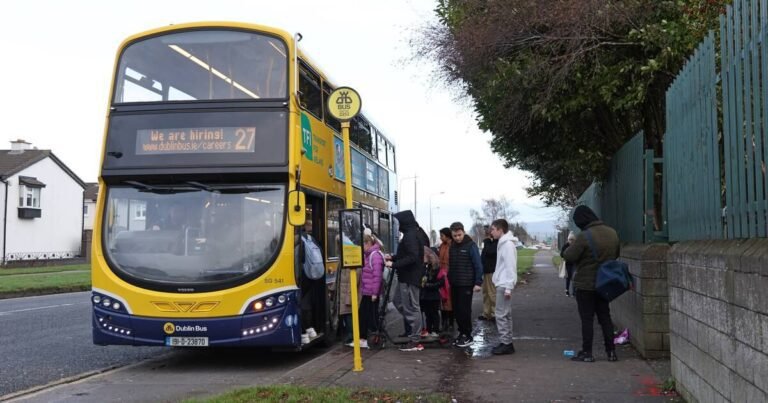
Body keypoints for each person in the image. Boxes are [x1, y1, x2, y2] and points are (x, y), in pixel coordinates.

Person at [563, 205, 620, 363]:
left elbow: (570, 256)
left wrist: (570, 247)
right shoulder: (612, 233)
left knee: (587, 319)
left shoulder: (584, 236)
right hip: (605, 283)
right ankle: (611, 352)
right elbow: (616, 254)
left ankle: (587, 353)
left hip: (586, 285)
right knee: (605, 317)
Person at [384, 210, 425, 352]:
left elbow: (413, 257)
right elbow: (407, 254)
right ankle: (416, 330)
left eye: (398, 222)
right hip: (406, 276)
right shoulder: (409, 235)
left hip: (410, 277)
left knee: (412, 307)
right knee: (398, 301)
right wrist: (393, 257)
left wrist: (394, 264)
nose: (397, 225)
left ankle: (415, 339)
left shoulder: (410, 236)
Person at [447, 221, 483, 348]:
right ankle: (462, 333)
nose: (457, 238)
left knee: (464, 310)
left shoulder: (471, 246)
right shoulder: (452, 246)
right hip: (455, 283)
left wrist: (478, 282)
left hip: (466, 284)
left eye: (459, 235)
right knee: (457, 310)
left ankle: (468, 335)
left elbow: (478, 264)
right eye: (455, 235)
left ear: (463, 232)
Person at [348, 233, 384, 349]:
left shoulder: (375, 256)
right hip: (367, 291)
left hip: (371, 293)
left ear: (368, 243)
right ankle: (364, 339)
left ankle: (372, 339)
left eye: (362, 244)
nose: (361, 247)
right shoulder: (369, 255)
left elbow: (377, 276)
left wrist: (374, 293)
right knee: (365, 316)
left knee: (370, 317)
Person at [489, 219, 518, 355]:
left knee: (501, 314)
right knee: (505, 314)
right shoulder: (505, 243)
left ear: (500, 230)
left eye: (493, 229)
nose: (491, 232)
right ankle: (507, 342)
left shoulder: (507, 245)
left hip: (504, 283)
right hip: (503, 283)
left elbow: (510, 266)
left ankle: (506, 343)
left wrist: (508, 287)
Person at [419, 246, 442, 337]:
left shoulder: (437, 268)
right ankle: (428, 329)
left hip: (433, 294)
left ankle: (435, 330)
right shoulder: (426, 267)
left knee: (434, 313)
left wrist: (428, 285)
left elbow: (440, 282)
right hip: (426, 295)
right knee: (428, 314)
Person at [480, 225, 498, 321]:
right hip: (486, 270)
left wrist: (487, 240)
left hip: (492, 270)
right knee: (486, 292)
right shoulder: (490, 242)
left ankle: (494, 313)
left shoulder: (496, 242)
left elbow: (490, 252)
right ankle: (487, 313)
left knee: (492, 293)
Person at [437, 227, 453, 332]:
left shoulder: (452, 246)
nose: (440, 237)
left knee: (450, 299)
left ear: (447, 236)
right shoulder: (442, 246)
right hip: (441, 274)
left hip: (449, 274)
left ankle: (450, 322)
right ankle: (444, 322)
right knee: (442, 298)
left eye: (442, 235)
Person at [560, 232, 577, 296]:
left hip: (574, 263)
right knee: (568, 277)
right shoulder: (565, 246)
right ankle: (567, 290)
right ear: (568, 240)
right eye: (570, 239)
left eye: (572, 240)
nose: (571, 241)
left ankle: (574, 292)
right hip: (567, 264)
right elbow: (561, 254)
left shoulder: (576, 246)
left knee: (574, 277)